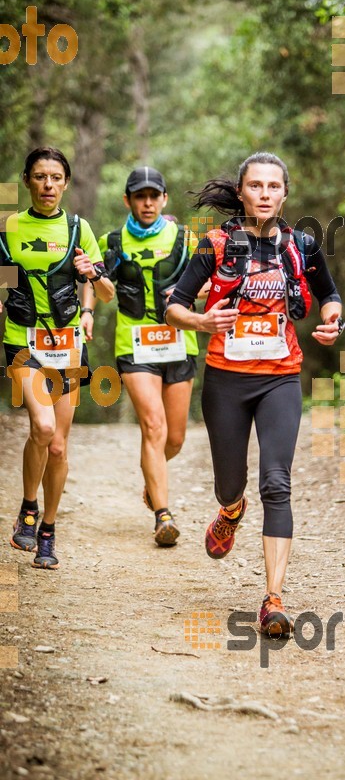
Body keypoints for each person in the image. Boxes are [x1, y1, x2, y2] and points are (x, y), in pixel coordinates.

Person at [166, 152, 344, 636]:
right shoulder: (217, 244)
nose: (265, 194)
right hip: (226, 379)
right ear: (241, 192)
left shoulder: (303, 245)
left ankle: (274, 598)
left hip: (280, 378)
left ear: (285, 193)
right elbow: (174, 307)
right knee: (232, 484)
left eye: (273, 186)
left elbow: (329, 296)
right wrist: (202, 321)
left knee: (277, 483)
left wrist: (333, 321)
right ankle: (230, 510)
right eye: (256, 186)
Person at [0, 146, 114, 569]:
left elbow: (106, 294)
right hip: (22, 343)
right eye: (40, 176)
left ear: (66, 183)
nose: (48, 185)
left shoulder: (78, 228)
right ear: (27, 179)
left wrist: (93, 275)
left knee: (60, 447)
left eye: (56, 178)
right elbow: (4, 280)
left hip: (67, 347)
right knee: (43, 426)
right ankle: (28, 506)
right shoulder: (9, 228)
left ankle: (47, 529)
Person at [82, 167, 201, 546]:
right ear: (128, 201)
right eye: (139, 196)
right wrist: (92, 294)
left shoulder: (186, 239)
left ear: (164, 199)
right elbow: (100, 289)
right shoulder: (112, 241)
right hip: (134, 343)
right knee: (153, 425)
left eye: (154, 195)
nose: (147, 202)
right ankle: (163, 516)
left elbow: (211, 285)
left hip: (180, 341)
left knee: (176, 438)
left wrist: (189, 298)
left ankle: (152, 476)